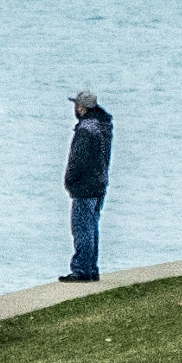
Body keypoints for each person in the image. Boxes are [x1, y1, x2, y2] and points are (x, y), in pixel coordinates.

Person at [60, 89, 114, 282]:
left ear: (81, 107)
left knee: (82, 228)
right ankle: (91, 268)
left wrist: (69, 180)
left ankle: (82, 270)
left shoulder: (85, 130)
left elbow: (77, 160)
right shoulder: (103, 126)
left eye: (76, 105)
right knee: (91, 226)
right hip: (99, 184)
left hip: (85, 185)